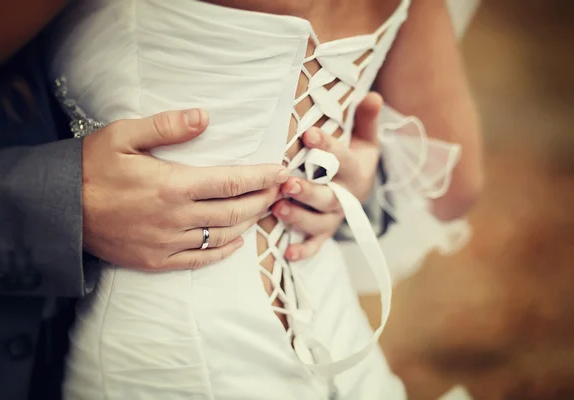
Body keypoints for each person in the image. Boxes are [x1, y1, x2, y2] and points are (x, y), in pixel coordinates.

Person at [48, 0, 481, 398]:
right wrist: (363, 168)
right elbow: (455, 186)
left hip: (162, 357)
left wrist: (60, 187)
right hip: (339, 343)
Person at [0, 4, 389, 400]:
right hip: (324, 330)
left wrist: (344, 180)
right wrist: (61, 196)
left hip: (168, 349)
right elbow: (451, 182)